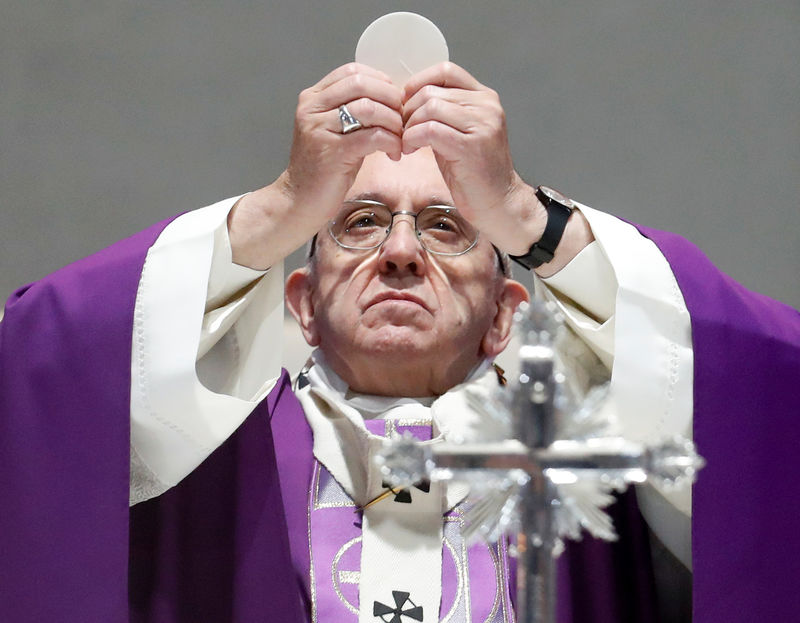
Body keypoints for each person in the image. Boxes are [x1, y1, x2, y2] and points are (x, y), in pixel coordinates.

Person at [1, 61, 798, 623]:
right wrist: (283, 204)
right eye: (358, 221)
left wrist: (528, 216)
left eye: (448, 226)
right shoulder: (197, 457)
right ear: (302, 305)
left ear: (504, 314)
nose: (402, 250)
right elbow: (36, 368)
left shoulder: (605, 456)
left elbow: (767, 393)